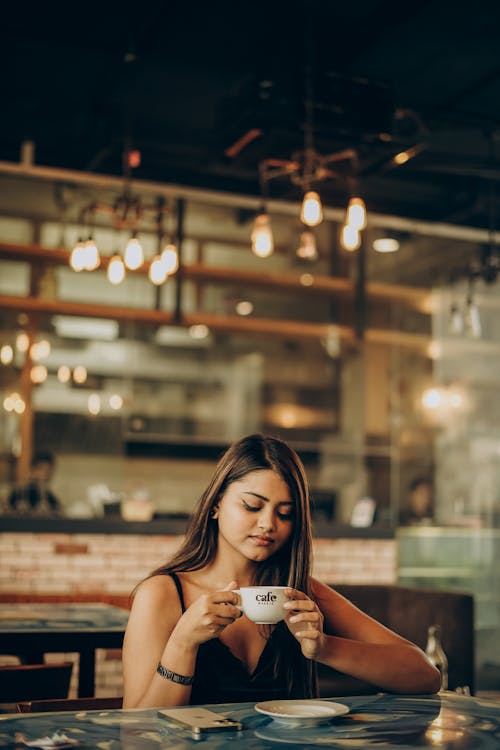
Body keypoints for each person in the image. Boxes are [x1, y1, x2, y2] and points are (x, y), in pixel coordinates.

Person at [122, 434, 440, 708]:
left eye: (285, 513)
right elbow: (136, 732)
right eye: (252, 506)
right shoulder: (162, 594)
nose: (268, 524)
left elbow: (425, 674)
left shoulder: (298, 593)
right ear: (216, 504)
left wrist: (325, 647)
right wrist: (183, 643)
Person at [8, 451, 61, 515]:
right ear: (33, 470)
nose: (45, 474)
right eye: (42, 469)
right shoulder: (19, 493)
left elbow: (58, 510)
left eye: (49, 470)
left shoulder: (48, 495)